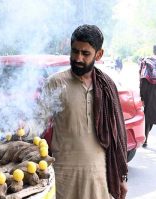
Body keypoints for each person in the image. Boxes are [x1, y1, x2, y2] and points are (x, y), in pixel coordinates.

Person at [41, 25, 128, 199]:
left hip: (100, 175)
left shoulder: (107, 86)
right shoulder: (55, 83)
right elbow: (37, 123)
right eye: (75, 51)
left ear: (99, 54)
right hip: (64, 174)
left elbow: (117, 136)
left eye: (85, 53)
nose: (78, 58)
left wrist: (121, 176)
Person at [139, 45, 156, 147]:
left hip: (150, 92)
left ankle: (145, 139)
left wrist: (142, 96)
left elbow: (143, 79)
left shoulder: (148, 62)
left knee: (148, 116)